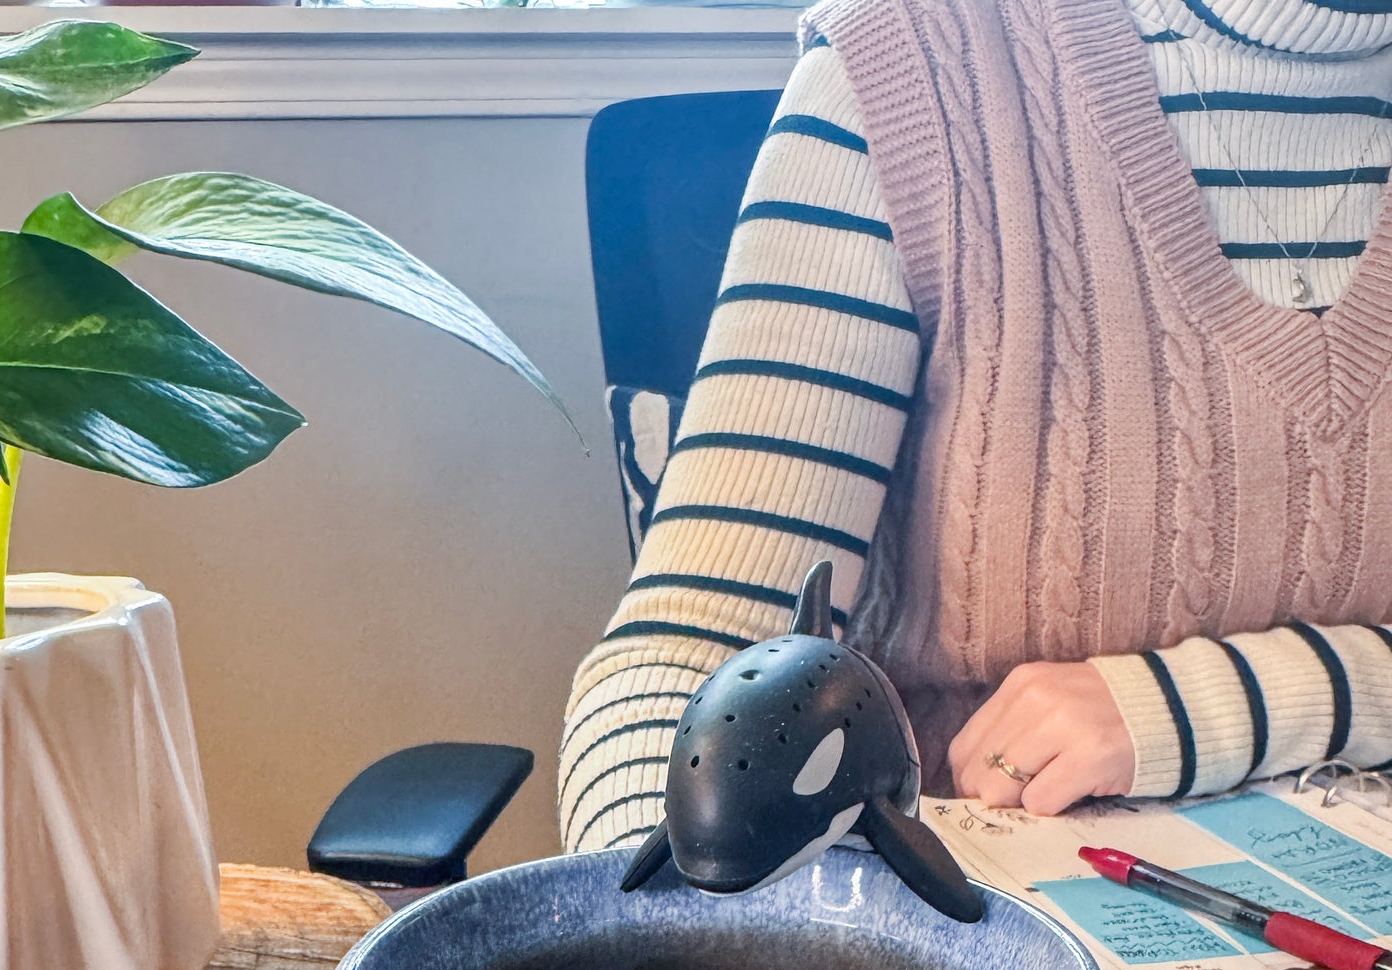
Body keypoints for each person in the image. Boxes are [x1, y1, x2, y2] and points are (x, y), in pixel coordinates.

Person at [559, 0, 1392, 859]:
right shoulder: (911, 69)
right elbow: (689, 663)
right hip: (958, 899)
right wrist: (685, 927)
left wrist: (1219, 705)